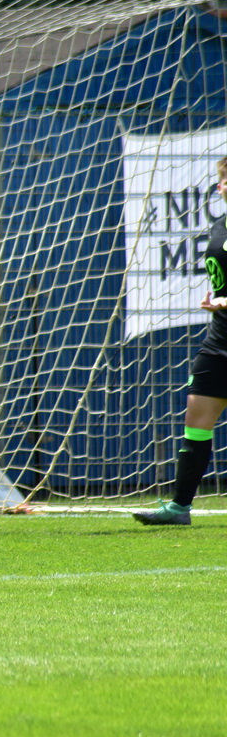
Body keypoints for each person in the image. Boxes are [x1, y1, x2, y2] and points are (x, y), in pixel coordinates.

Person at [135, 156, 227, 526]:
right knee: (196, 418)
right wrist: (217, 301)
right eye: (223, 180)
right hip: (220, 339)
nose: (224, 186)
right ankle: (179, 507)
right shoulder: (219, 226)